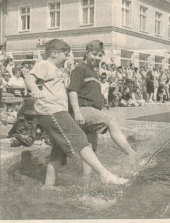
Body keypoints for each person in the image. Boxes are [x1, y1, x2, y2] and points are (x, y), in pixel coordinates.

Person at [24, 39, 128, 188]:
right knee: (80, 139)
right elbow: (29, 77)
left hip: (56, 111)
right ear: (55, 53)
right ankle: (104, 175)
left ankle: (48, 185)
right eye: (65, 55)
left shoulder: (56, 69)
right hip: (52, 110)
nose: (66, 58)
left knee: (58, 150)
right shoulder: (44, 65)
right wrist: (34, 89)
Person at [68, 40, 136, 171]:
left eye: (100, 55)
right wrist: (77, 112)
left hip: (90, 111)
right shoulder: (80, 69)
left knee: (89, 149)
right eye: (94, 54)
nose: (97, 58)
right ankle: (130, 152)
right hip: (83, 109)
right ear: (86, 53)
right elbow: (72, 91)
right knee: (111, 121)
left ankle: (86, 181)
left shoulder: (94, 72)